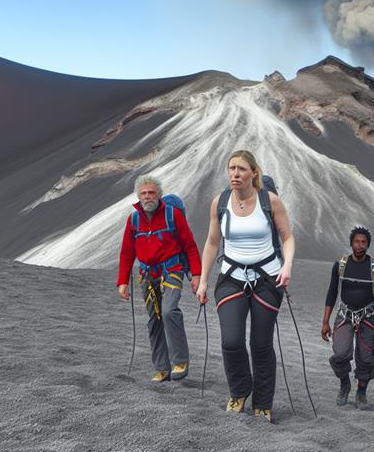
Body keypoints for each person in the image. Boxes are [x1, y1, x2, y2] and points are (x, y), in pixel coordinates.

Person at [196, 150, 295, 423]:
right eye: (231, 169)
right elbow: (212, 243)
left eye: (240, 169)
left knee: (261, 344)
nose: (234, 174)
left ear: (253, 172)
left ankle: (263, 403)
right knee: (231, 341)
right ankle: (240, 391)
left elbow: (287, 237)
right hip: (231, 277)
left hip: (267, 279)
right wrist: (203, 280)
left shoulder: (270, 202)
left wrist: (286, 266)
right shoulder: (220, 202)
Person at [117, 176, 202, 383]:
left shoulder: (173, 216)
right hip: (147, 275)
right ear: (139, 196)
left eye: (152, 193)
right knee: (154, 320)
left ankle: (180, 361)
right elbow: (127, 253)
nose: (148, 197)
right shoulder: (134, 220)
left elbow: (190, 246)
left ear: (159, 195)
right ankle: (162, 368)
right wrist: (123, 281)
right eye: (144, 193)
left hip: (171, 270)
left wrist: (197, 275)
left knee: (168, 310)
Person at [320, 226, 374, 409]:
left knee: (366, 359)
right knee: (340, 354)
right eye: (357, 242)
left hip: (367, 318)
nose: (360, 245)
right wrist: (325, 322)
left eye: (364, 242)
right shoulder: (340, 266)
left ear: (368, 245)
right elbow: (331, 294)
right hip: (344, 316)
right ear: (351, 243)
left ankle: (361, 392)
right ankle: (345, 384)